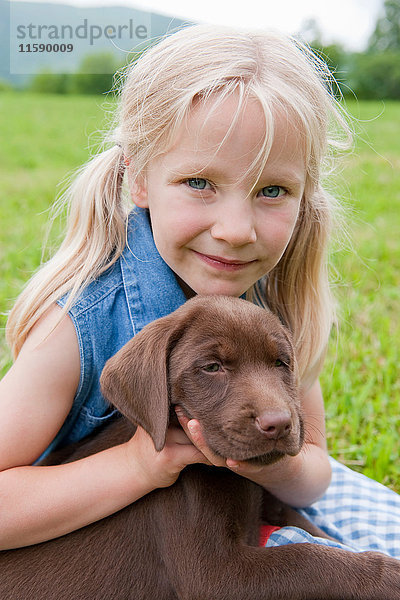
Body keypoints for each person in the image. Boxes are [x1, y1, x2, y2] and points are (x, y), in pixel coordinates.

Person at [1, 24, 399, 556]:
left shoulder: (268, 306)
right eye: (199, 184)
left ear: (305, 198)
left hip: (213, 538)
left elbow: (315, 476)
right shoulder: (79, 325)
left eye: (272, 190)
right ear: (137, 177)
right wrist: (140, 464)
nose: (237, 229)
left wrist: (277, 460)